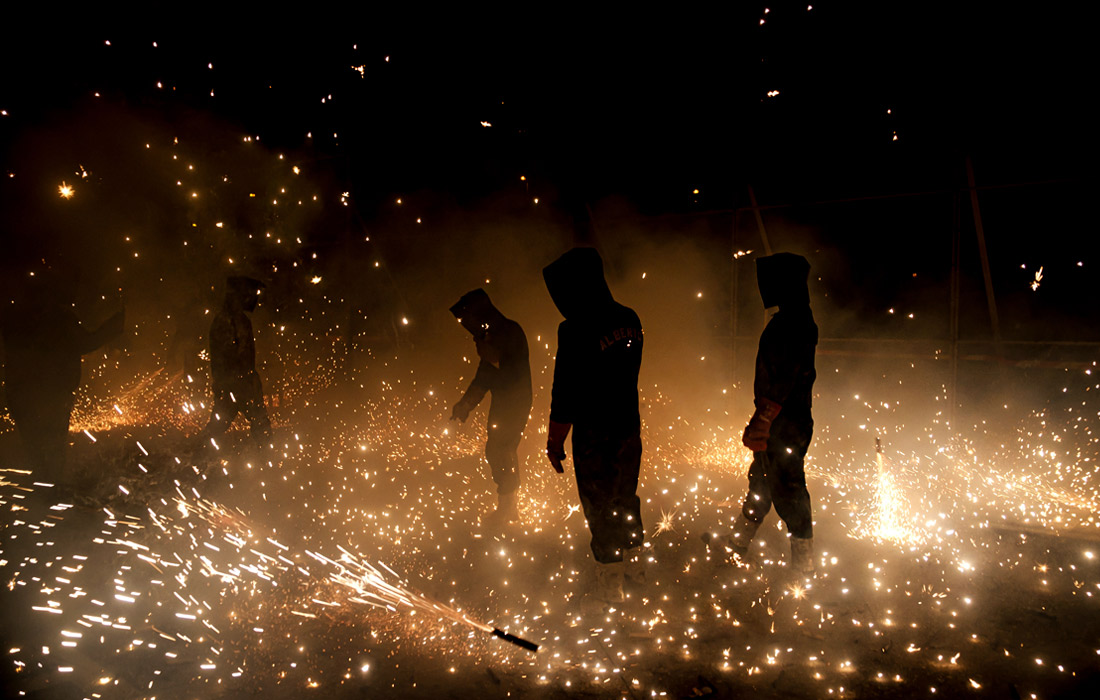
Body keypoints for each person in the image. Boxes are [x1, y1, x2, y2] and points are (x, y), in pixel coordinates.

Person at [543, 247, 644, 605]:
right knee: (626, 497)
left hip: (595, 437)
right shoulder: (629, 317)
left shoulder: (574, 329)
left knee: (600, 506)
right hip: (629, 429)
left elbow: (565, 390)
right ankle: (636, 571)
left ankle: (610, 588)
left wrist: (555, 441)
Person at [707, 252, 818, 576]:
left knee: (788, 487)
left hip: (785, 422)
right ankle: (738, 542)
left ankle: (804, 565)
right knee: (762, 481)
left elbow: (784, 376)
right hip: (784, 419)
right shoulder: (796, 318)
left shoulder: (791, 324)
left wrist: (765, 418)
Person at [1, 276, 124, 487]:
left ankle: (40, 486)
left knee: (34, 443)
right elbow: (87, 342)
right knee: (53, 446)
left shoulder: (17, 316)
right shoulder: (59, 317)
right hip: (51, 392)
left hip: (21, 391)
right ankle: (50, 487)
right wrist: (118, 322)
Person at [449, 289, 532, 526]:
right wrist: (465, 405)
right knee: (498, 448)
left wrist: (491, 354)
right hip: (504, 401)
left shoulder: (510, 332)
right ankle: (509, 507)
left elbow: (507, 370)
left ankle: (508, 508)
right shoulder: (493, 335)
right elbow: (483, 379)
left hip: (516, 401)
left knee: (500, 449)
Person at [203, 276, 271, 444]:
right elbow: (226, 359)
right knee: (256, 424)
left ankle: (196, 454)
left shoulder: (238, 320)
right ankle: (195, 455)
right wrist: (229, 384)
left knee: (257, 425)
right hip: (236, 385)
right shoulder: (227, 322)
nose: (254, 298)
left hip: (240, 383)